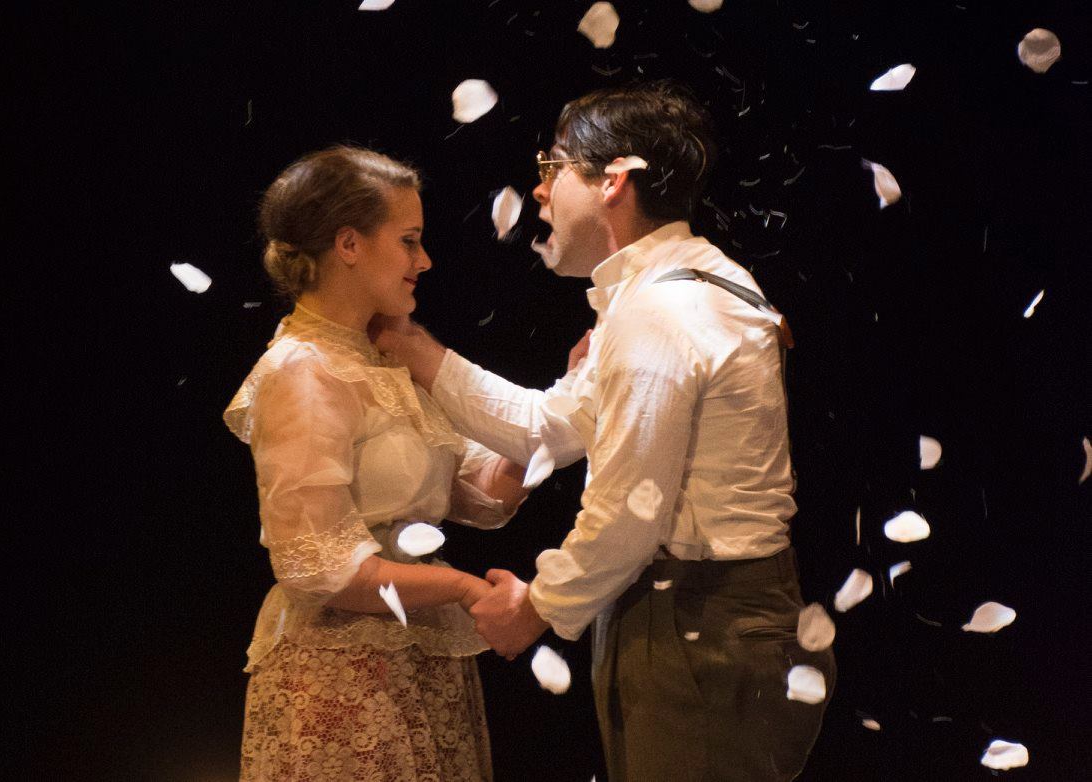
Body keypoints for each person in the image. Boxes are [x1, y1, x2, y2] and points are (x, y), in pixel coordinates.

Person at [375, 81, 835, 781]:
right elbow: (546, 428)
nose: (537, 192)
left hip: (697, 623)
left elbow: (630, 511)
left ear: (613, 180)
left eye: (551, 169)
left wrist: (537, 606)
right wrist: (415, 351)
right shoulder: (682, 287)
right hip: (698, 617)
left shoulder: (662, 312)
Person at [223, 146, 531, 781]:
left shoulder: (387, 355)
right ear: (348, 244)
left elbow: (484, 491)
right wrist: (467, 590)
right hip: (343, 673)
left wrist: (570, 414)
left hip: (418, 663)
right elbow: (320, 563)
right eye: (410, 240)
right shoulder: (303, 370)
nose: (425, 261)